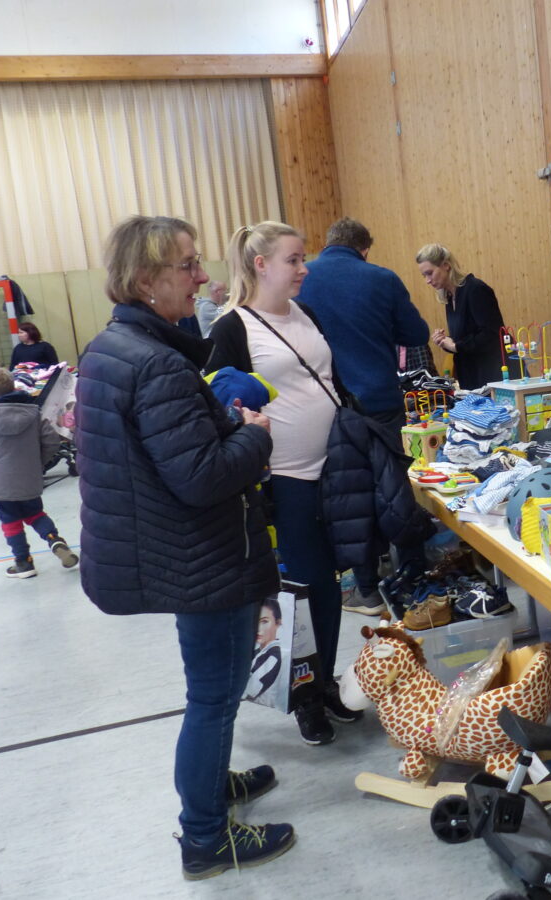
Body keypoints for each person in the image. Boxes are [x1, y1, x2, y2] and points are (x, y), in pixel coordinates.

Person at [75, 214, 294, 879]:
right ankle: (205, 837)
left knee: (211, 694)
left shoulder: (117, 349)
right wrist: (254, 433)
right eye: (189, 266)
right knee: (214, 698)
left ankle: (209, 787)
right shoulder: (156, 364)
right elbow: (202, 478)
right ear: (146, 281)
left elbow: (169, 454)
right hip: (200, 558)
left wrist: (220, 422)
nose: (203, 278)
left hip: (176, 553)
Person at [207, 220, 362, 748]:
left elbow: (330, 380)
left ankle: (325, 681)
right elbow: (217, 402)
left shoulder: (306, 313)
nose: (304, 268)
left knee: (332, 584)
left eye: (302, 258)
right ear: (261, 264)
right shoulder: (233, 327)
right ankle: (305, 697)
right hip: (285, 479)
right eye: (294, 260)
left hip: (334, 469)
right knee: (301, 587)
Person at [297, 217, 431, 614]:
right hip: (379, 400)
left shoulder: (303, 277)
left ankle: (366, 587)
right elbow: (417, 334)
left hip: (328, 406)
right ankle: (414, 576)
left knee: (348, 496)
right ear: (364, 248)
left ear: (328, 242)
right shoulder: (382, 278)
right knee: (394, 487)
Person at [0, 366, 79, 578]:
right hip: (29, 479)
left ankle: (24, 562)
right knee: (35, 513)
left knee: (10, 521)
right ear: (14, 386)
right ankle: (54, 540)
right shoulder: (34, 414)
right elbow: (51, 442)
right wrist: (37, 463)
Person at [416, 243, 507, 390]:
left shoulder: (476, 289)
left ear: (446, 265)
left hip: (492, 375)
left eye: (430, 273)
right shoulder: (450, 296)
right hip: (471, 376)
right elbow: (466, 339)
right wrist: (447, 342)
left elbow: (491, 335)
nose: (427, 280)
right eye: (424, 275)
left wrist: (456, 345)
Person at [244, 597, 285, 705]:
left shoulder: (273, 656)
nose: (258, 628)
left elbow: (248, 691)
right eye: (254, 620)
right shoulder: (258, 650)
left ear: (278, 623)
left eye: (264, 621)